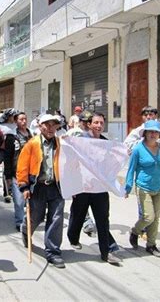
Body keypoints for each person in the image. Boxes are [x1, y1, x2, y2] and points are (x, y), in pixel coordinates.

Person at [67, 113, 122, 265]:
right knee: (77, 215)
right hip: (83, 187)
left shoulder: (105, 142)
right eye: (96, 122)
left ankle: (106, 252)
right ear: (89, 124)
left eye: (101, 123)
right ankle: (73, 237)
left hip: (99, 188)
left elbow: (111, 162)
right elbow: (71, 159)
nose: (98, 126)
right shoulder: (81, 140)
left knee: (103, 219)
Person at [16, 113, 66, 268]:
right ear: (40, 126)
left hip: (56, 187)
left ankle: (53, 252)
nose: (51, 128)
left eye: (54, 125)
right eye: (48, 125)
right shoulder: (32, 144)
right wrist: (24, 186)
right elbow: (22, 167)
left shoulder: (61, 144)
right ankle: (26, 229)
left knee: (56, 218)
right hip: (37, 187)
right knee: (36, 217)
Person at [126, 120, 160, 257]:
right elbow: (131, 169)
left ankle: (151, 245)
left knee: (156, 219)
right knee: (148, 217)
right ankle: (135, 231)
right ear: (145, 133)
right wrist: (127, 187)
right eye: (150, 131)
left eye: (156, 132)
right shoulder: (138, 149)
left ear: (159, 135)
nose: (153, 134)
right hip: (143, 187)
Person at [4, 111, 32, 231]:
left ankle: (29, 220)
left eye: (25, 119)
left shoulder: (32, 136)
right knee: (19, 200)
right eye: (21, 119)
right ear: (16, 122)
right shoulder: (11, 138)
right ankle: (19, 221)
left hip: (31, 173)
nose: (24, 121)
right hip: (17, 173)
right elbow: (7, 157)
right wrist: (8, 176)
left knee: (31, 200)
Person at [0, 108, 18, 203]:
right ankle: (7, 192)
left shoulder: (16, 125)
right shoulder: (1, 126)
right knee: (6, 171)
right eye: (12, 115)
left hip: (16, 151)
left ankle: (15, 191)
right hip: (6, 150)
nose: (14, 117)